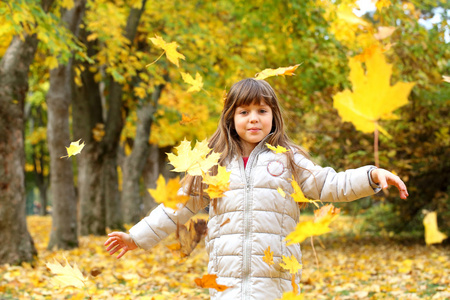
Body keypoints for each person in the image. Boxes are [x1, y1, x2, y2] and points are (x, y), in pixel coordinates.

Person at [104, 78, 408, 299]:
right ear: (230, 118)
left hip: (275, 279)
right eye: (244, 111)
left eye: (262, 111)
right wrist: (136, 238)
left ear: (274, 117)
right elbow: (175, 208)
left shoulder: (289, 158)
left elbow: (329, 184)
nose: (253, 119)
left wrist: (371, 175)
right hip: (226, 279)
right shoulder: (213, 162)